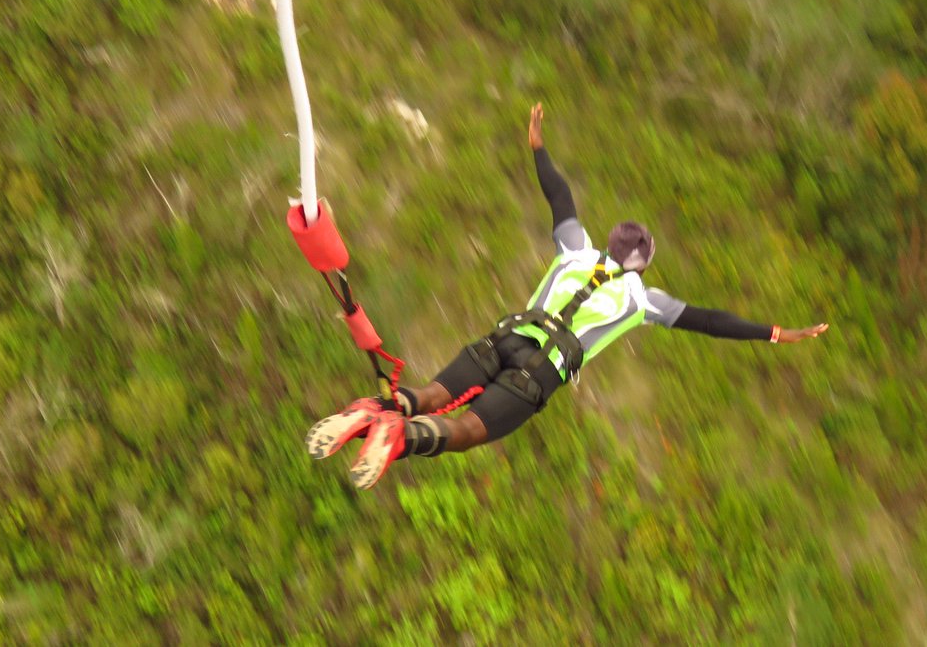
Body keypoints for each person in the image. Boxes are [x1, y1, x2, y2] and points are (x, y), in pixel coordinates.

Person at [307, 104, 828, 489]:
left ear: (610, 244)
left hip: (503, 339)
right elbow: (711, 320)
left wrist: (537, 145)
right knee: (464, 429)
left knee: (431, 396)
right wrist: (778, 333)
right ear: (642, 263)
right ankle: (398, 439)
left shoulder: (576, 249)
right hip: (538, 371)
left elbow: (559, 194)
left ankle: (371, 414)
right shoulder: (643, 299)